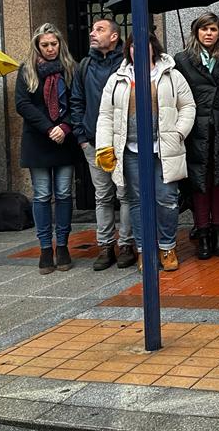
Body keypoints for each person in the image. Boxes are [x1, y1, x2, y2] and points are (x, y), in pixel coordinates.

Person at [95, 32, 196, 272]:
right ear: (128, 50)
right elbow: (106, 115)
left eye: (143, 45)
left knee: (167, 200)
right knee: (137, 202)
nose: (137, 50)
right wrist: (104, 146)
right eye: (133, 46)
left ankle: (167, 247)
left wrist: (178, 134)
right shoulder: (117, 78)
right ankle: (144, 251)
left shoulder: (172, 75)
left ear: (154, 48)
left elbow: (188, 106)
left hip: (163, 150)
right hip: (130, 151)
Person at [174, 12, 219, 260]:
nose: (209, 34)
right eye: (204, 29)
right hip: (196, 130)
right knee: (199, 183)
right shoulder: (182, 60)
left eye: (213, 29)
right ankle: (202, 234)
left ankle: (218, 233)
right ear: (196, 33)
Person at [70, 18, 134, 271]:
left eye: (100, 30)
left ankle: (126, 245)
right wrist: (82, 138)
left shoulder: (125, 64)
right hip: (94, 142)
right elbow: (76, 101)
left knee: (124, 194)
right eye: (93, 30)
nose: (93, 34)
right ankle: (106, 246)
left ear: (115, 36)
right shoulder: (84, 65)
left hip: (122, 141)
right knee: (103, 196)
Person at [15, 23, 78, 274]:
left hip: (65, 139)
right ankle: (44, 248)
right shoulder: (27, 70)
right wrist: (48, 128)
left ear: (60, 44)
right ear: (37, 46)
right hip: (38, 141)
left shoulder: (71, 69)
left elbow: (78, 102)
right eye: (45, 45)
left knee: (63, 193)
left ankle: (62, 245)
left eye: (54, 44)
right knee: (42, 195)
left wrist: (64, 127)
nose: (50, 49)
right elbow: (22, 104)